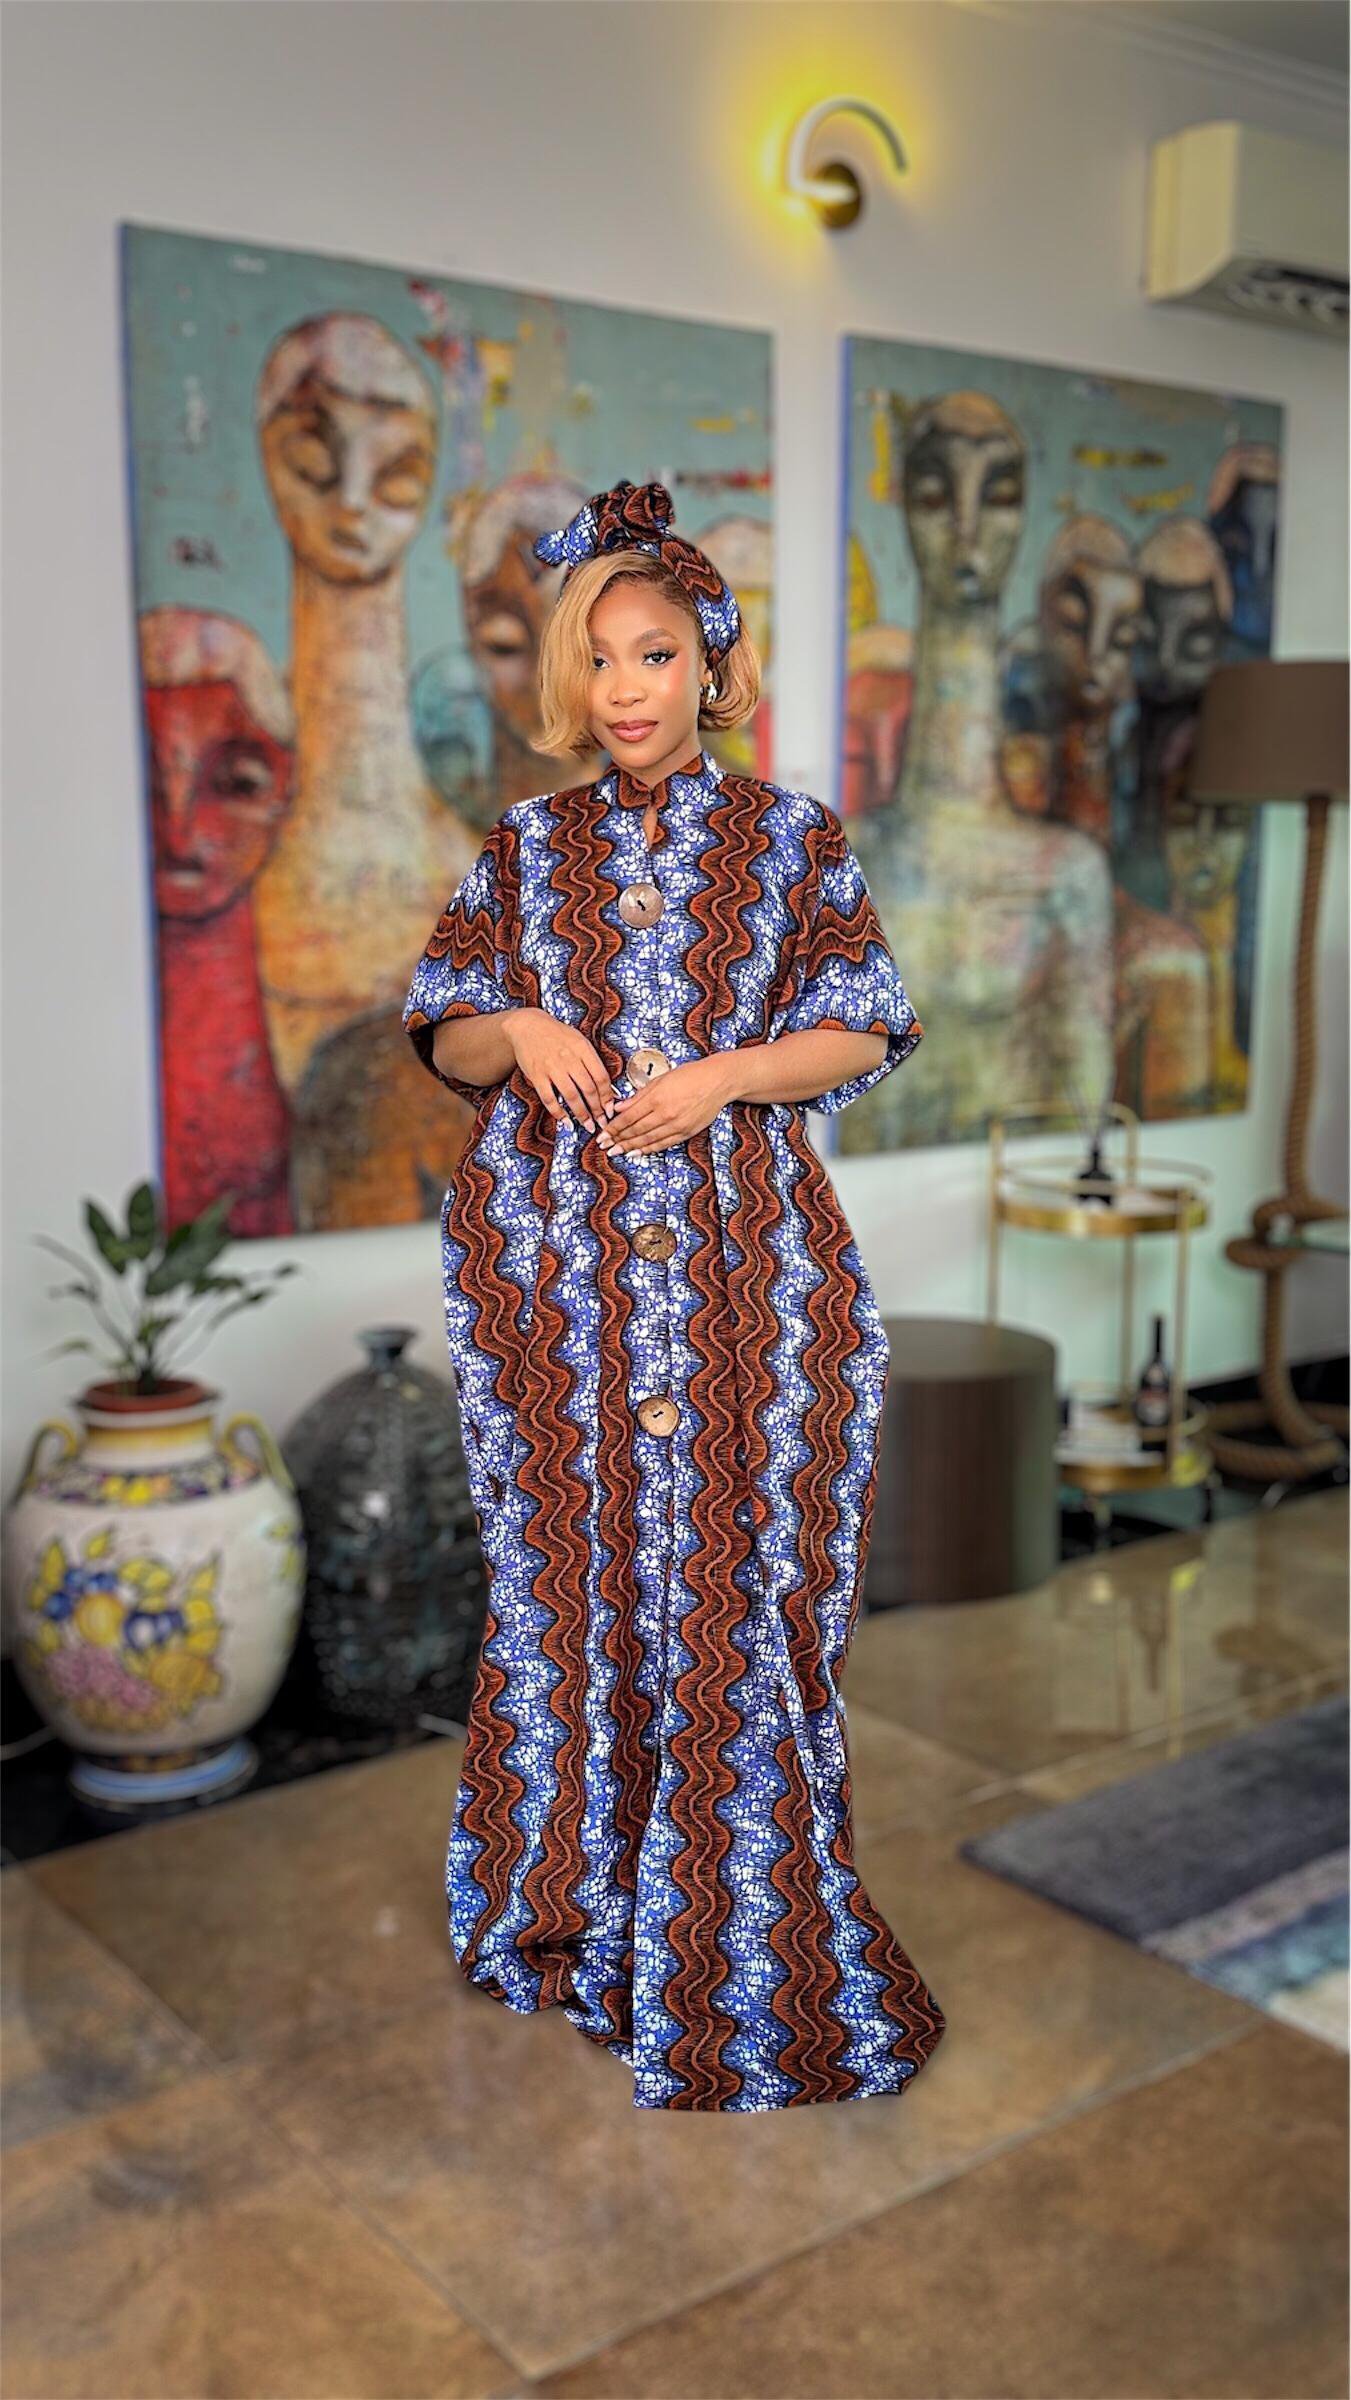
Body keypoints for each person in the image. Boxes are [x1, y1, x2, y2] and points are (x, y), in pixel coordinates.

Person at [403, 478, 945, 2112]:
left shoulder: (791, 840)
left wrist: (721, 1076)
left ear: (712, 663)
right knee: (571, 1595)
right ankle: (573, 1910)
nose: (628, 686)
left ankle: (731, 1939)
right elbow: (445, 1033)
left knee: (731, 1586)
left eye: (655, 653)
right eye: (599, 656)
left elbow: (867, 1022)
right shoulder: (527, 848)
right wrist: (523, 1027)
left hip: (745, 1285)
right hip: (553, 1292)